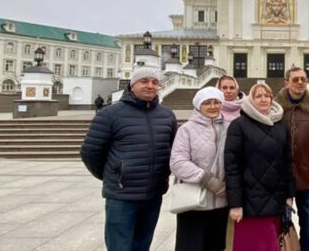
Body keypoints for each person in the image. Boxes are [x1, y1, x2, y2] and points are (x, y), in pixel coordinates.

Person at [80, 67, 177, 251]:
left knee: (142, 243)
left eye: (155, 82)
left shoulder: (166, 115)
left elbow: (173, 149)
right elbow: (90, 151)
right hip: (122, 195)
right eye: (144, 81)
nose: (150, 86)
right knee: (120, 245)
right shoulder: (110, 114)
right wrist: (114, 174)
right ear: (132, 85)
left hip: (153, 192)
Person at [225, 82, 295, 251]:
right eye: (258, 96)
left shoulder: (280, 125)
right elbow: (232, 167)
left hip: (276, 201)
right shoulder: (239, 125)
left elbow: (287, 162)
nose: (264, 99)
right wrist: (235, 203)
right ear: (251, 100)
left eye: (267, 96)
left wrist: (289, 195)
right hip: (250, 203)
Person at [276, 66, 309, 251]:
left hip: (307, 177)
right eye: (295, 79)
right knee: (280, 227)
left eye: (303, 79)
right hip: (281, 179)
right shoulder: (275, 106)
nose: (300, 83)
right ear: (286, 83)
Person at [169, 87, 230, 251]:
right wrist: (207, 180)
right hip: (194, 202)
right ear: (198, 105)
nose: (213, 106)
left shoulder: (229, 128)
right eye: (207, 103)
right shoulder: (186, 129)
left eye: (216, 102)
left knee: (217, 246)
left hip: (221, 202)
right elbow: (178, 162)